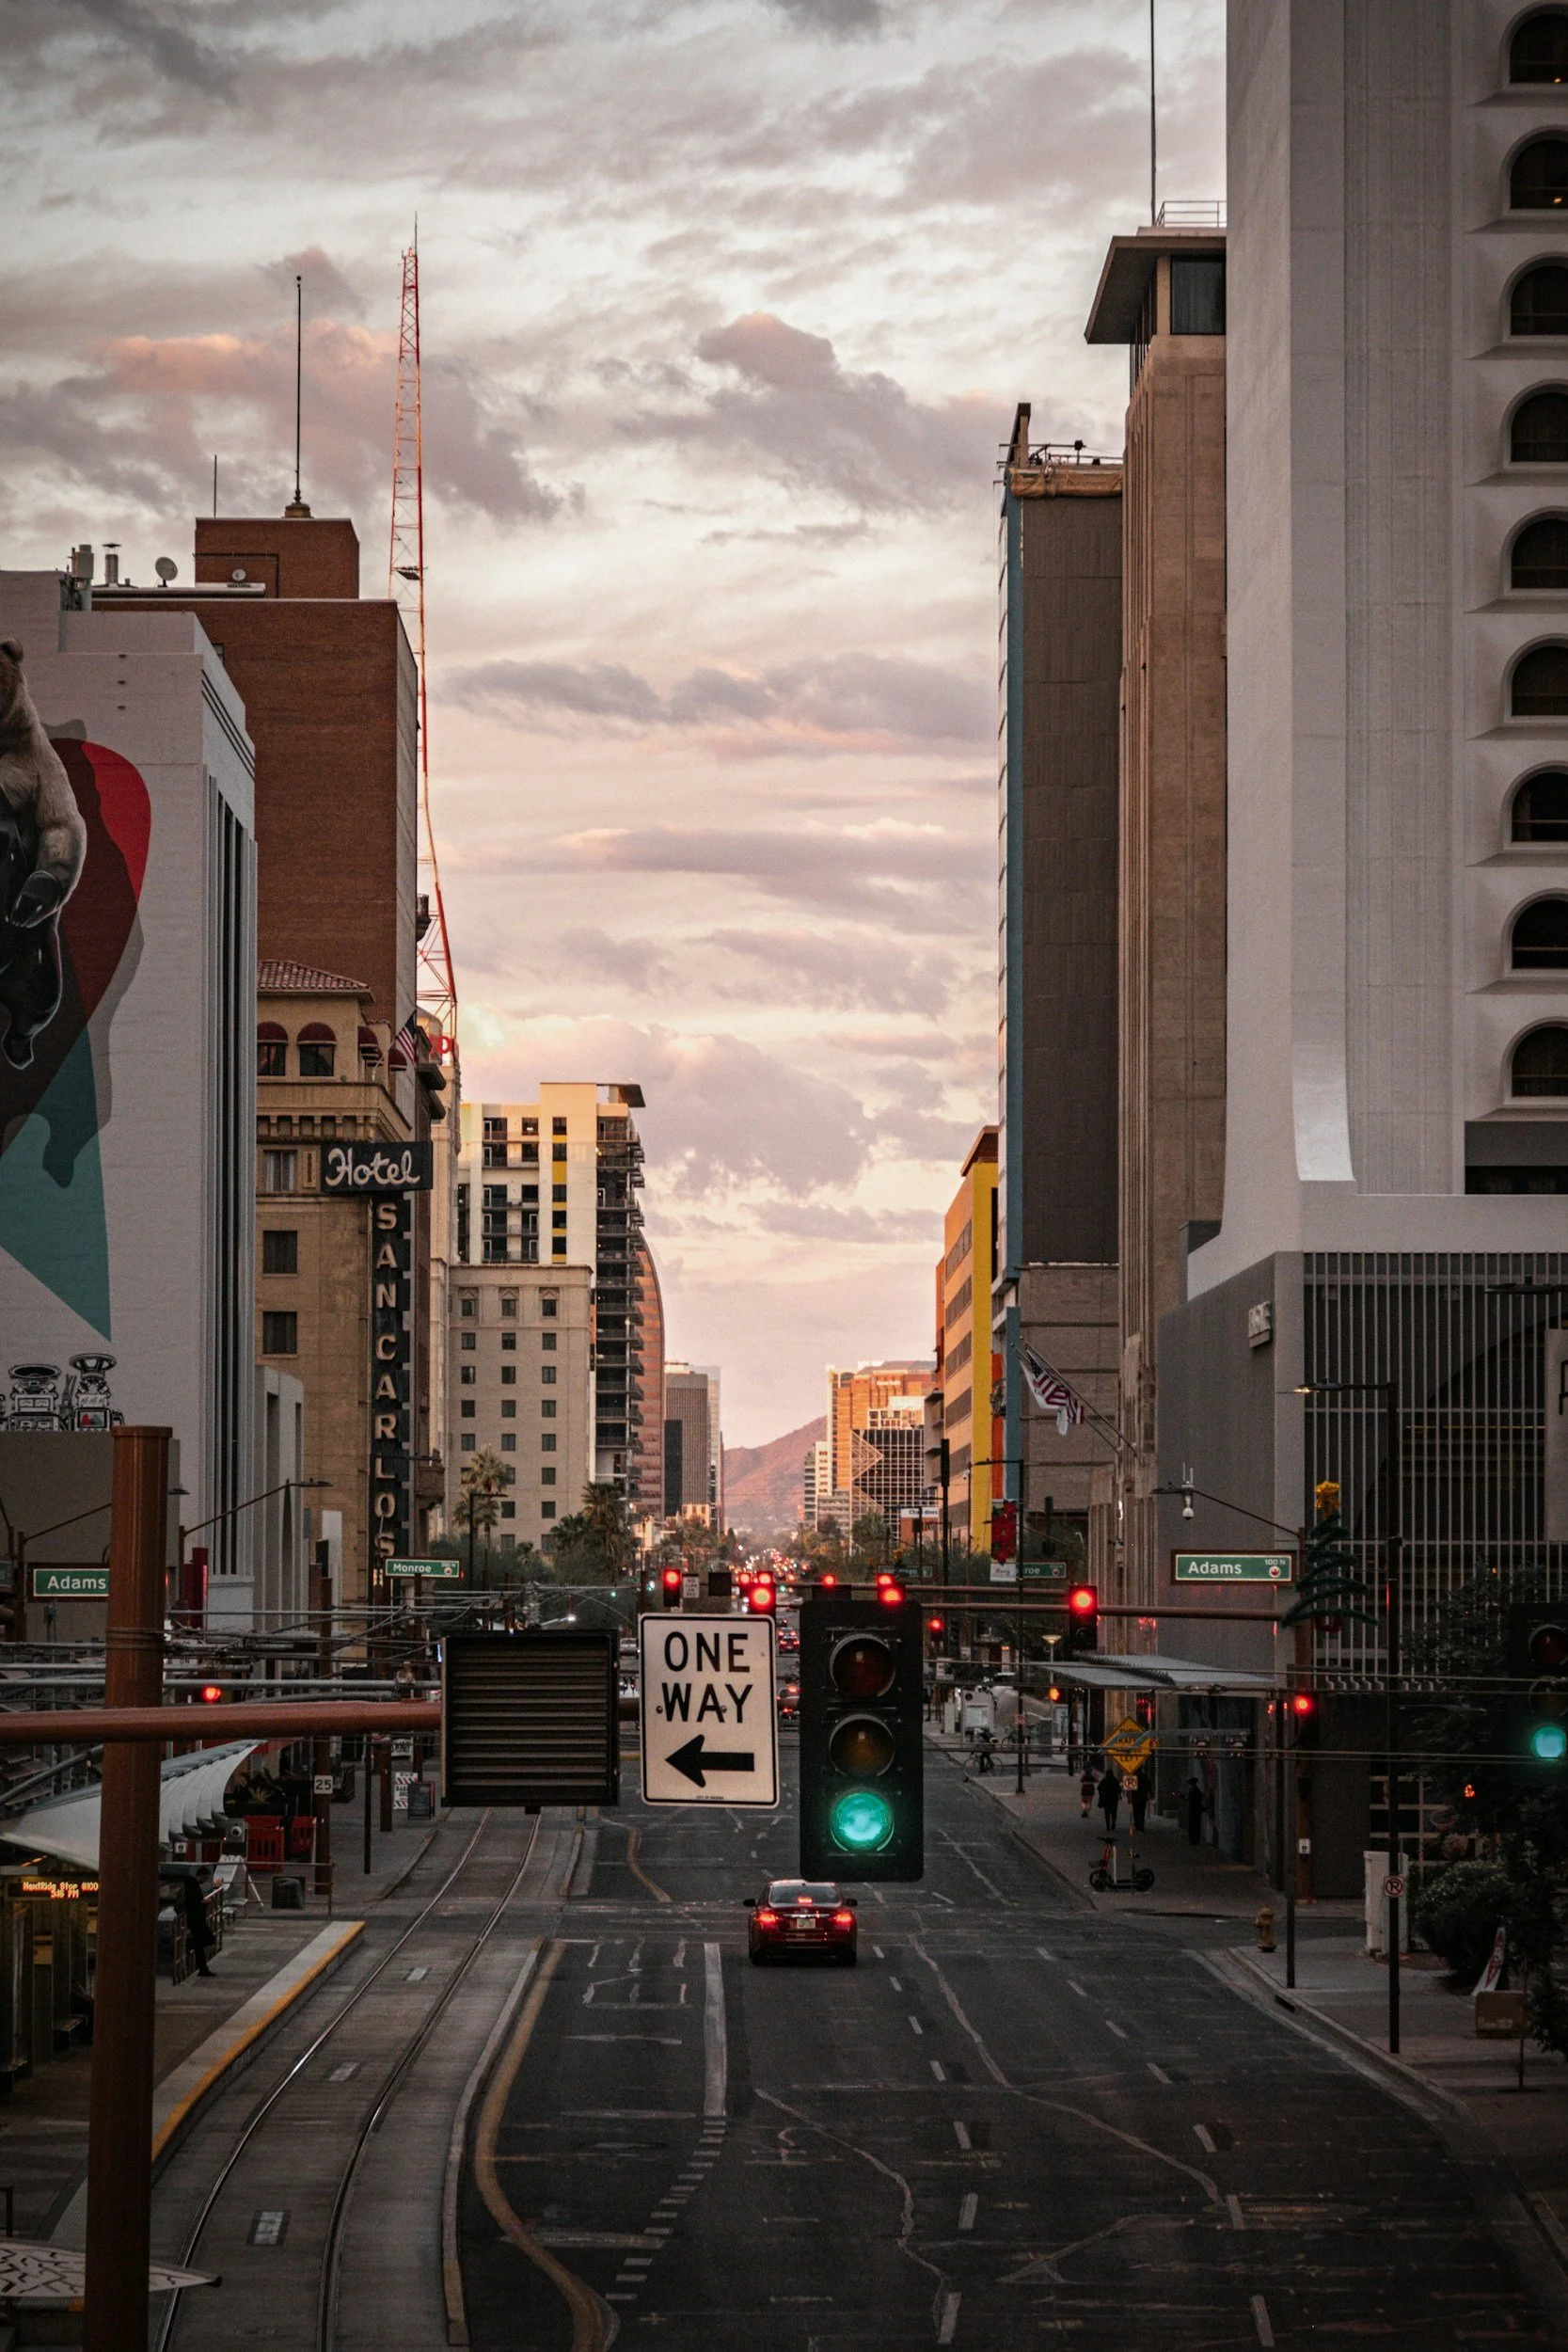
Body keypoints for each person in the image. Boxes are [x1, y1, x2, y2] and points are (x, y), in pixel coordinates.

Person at [1097, 1765, 1120, 1835]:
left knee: (1107, 1813)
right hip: (1114, 1799)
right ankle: (1113, 1823)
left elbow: (1099, 1788)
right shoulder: (1115, 1781)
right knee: (1114, 1812)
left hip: (1106, 1799)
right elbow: (1119, 1789)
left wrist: (1102, 1793)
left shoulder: (1104, 1781)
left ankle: (1108, 1826)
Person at [1131, 1761, 1151, 1836]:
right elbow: (1149, 1786)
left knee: (1136, 1811)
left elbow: (1130, 1788)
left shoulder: (1133, 1777)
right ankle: (1141, 1824)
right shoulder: (1144, 1776)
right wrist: (1151, 1794)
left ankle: (1137, 1824)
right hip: (1143, 1797)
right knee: (1142, 1812)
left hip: (1135, 1797)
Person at [1185, 1775, 1206, 1847]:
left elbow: (1195, 1800)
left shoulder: (1196, 1791)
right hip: (1193, 1811)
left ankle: (1194, 1840)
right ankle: (1193, 1840)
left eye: (1191, 1785)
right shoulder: (1193, 1791)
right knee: (1193, 1826)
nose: (1190, 1786)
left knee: (1195, 1826)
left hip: (1195, 1811)